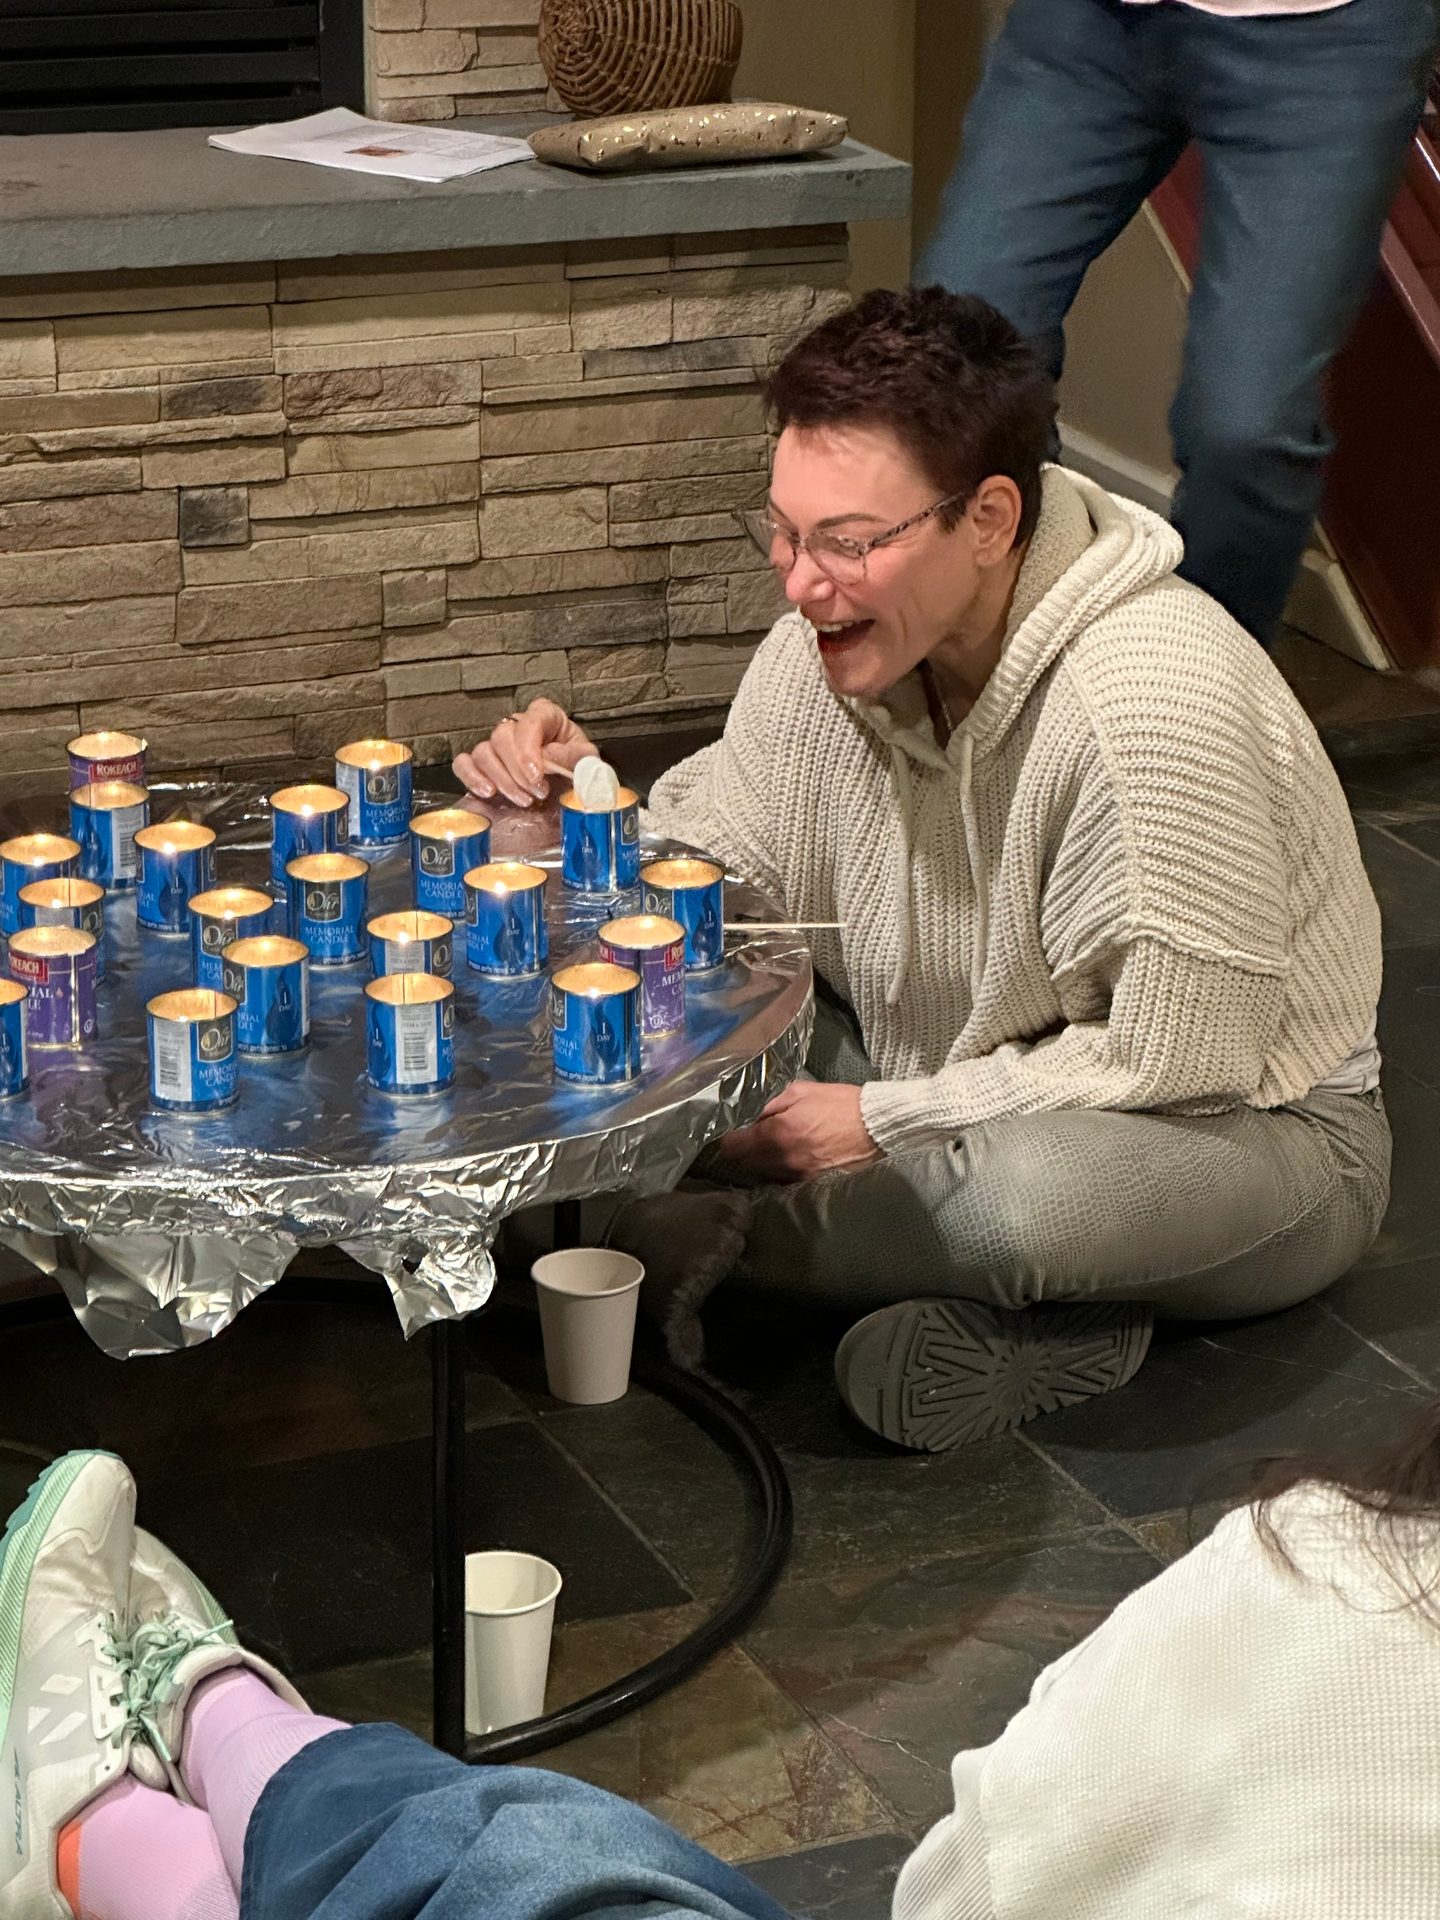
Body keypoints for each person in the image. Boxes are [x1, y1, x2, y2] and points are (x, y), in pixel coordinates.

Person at [457, 288, 1389, 1453]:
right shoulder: (835, 644)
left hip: (1245, 1135)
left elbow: (1183, 1059)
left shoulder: (1149, 703)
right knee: (678, 1022)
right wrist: (579, 819)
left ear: (991, 518)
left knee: (1014, 1208)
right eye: (785, 535)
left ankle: (644, 1239)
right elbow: (723, 884)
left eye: (847, 543)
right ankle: (1046, 1324)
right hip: (945, 1062)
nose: (800, 583)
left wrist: (882, 1125)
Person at [7, 1436, 1440, 1918]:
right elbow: (725, 834)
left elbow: (953, 1890)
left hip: (1229, 1151)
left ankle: (135, 1780)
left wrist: (899, 1107)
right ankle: (174, 1758)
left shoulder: (1337, 1583)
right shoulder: (815, 725)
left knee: (549, 1863)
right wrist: (552, 780)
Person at [918, 0, 1440, 647]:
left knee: (1247, 432)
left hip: (1331, 33)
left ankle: (1198, 703)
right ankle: (1026, 662)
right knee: (951, 353)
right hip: (1087, 23)